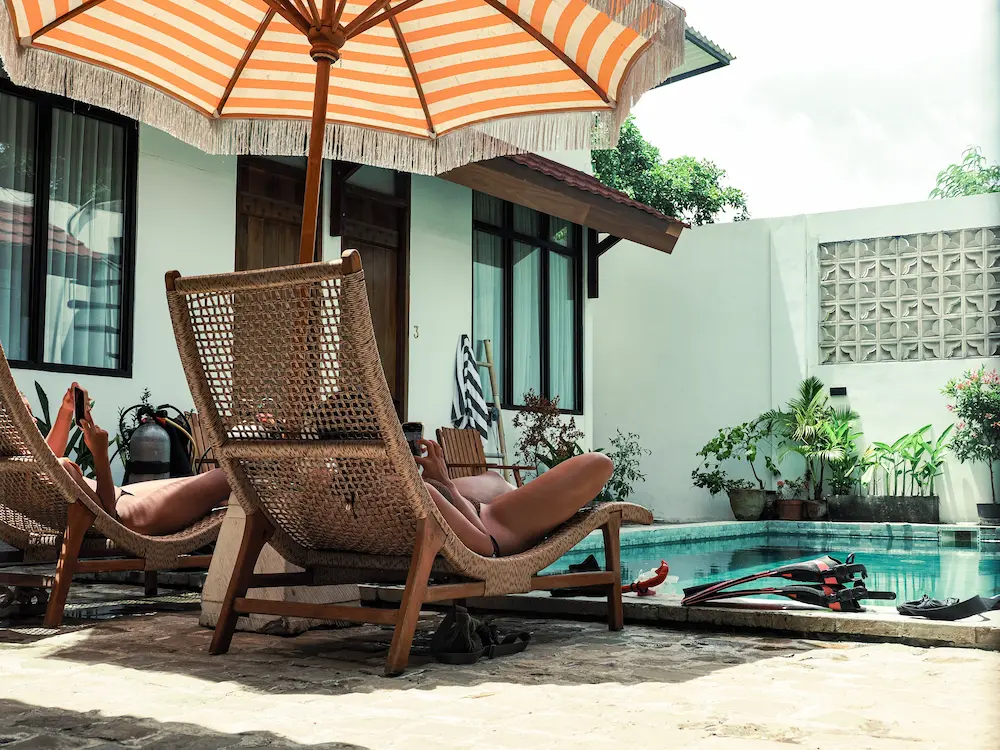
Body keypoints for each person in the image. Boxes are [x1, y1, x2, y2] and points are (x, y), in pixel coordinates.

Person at [20, 383, 229, 536]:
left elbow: (48, 458)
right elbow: (107, 514)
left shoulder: (22, 469)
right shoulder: (60, 468)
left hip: (128, 496)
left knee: (213, 484)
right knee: (228, 476)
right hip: (130, 515)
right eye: (28, 415)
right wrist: (100, 453)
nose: (36, 420)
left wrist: (66, 411)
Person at [414, 438, 613, 557]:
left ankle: (513, 492)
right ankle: (519, 498)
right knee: (599, 463)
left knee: (494, 478)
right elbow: (486, 545)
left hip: (478, 506)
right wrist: (447, 484)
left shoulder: (400, 492)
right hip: (493, 523)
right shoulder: (420, 492)